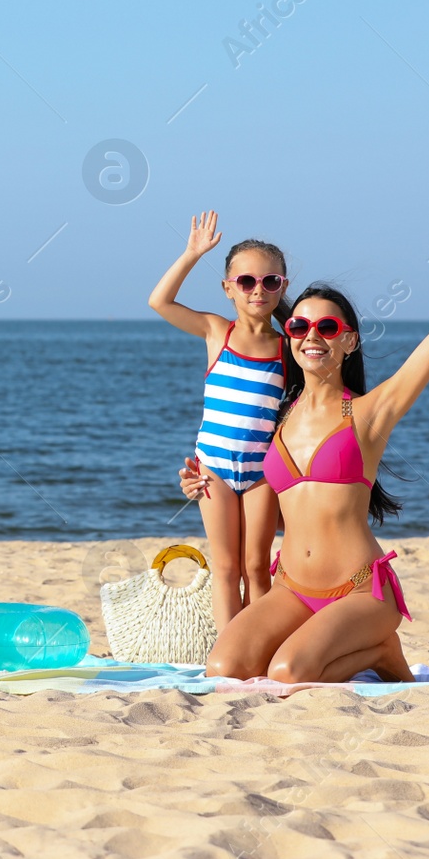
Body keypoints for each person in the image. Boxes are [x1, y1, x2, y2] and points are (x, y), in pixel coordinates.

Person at [183, 180, 429, 683]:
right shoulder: (278, 413)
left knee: (288, 674)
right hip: (290, 589)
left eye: (328, 329)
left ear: (349, 341)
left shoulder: (369, 413)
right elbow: (234, 462)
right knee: (223, 669)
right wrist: (196, 481)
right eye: (299, 328)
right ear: (288, 337)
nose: (312, 337)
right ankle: (349, 647)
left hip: (360, 590)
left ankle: (380, 648)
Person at [148, 212, 292, 631]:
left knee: (256, 567)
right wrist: (192, 253)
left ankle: (260, 645)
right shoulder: (217, 332)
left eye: (270, 281)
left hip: (262, 473)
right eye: (246, 281)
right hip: (213, 467)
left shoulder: (288, 348)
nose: (257, 290)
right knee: (227, 568)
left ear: (282, 286)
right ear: (229, 288)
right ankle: (230, 651)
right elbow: (159, 302)